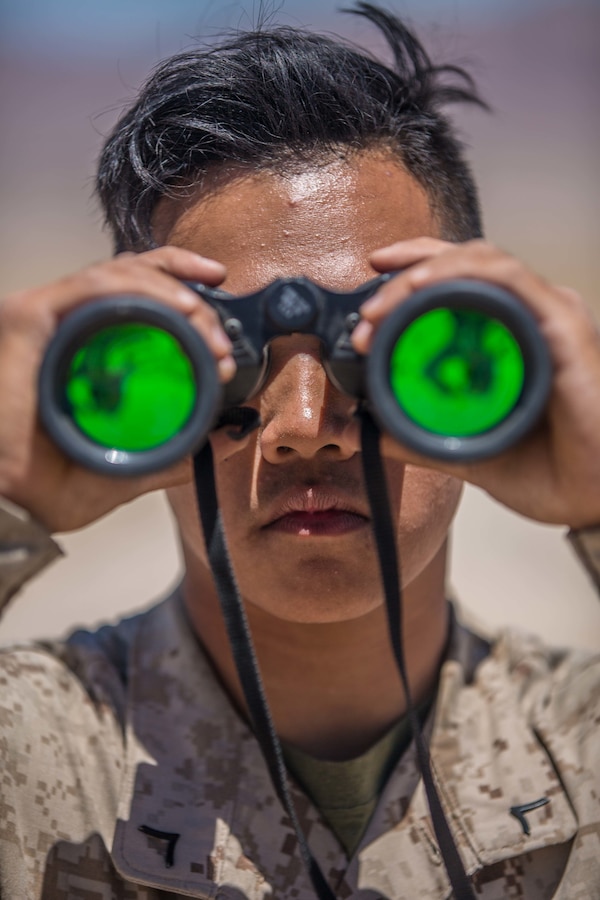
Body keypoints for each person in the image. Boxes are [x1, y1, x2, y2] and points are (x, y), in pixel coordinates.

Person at [1, 3, 599, 898]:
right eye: (221, 361)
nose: (304, 425)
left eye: (390, 347)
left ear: (487, 345)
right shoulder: (29, 754)